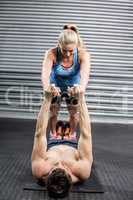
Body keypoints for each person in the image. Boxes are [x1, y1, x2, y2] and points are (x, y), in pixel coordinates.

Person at [31, 85, 93, 198]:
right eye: (64, 169)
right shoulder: (82, 170)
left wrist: (47, 99)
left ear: (46, 178)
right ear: (70, 178)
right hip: (72, 145)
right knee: (74, 117)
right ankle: (72, 101)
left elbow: (39, 133)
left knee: (53, 114)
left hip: (53, 143)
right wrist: (81, 99)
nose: (59, 164)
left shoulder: (39, 169)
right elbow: (86, 134)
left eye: (54, 169)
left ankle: (55, 100)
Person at [41, 24, 91, 137]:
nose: (67, 54)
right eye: (64, 50)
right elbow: (45, 74)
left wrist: (80, 89)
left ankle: (71, 135)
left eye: (71, 51)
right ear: (59, 44)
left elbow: (84, 75)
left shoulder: (83, 54)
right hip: (56, 86)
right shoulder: (51, 53)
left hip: (74, 87)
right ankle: (54, 135)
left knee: (73, 114)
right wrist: (48, 88)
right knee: (53, 113)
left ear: (76, 45)